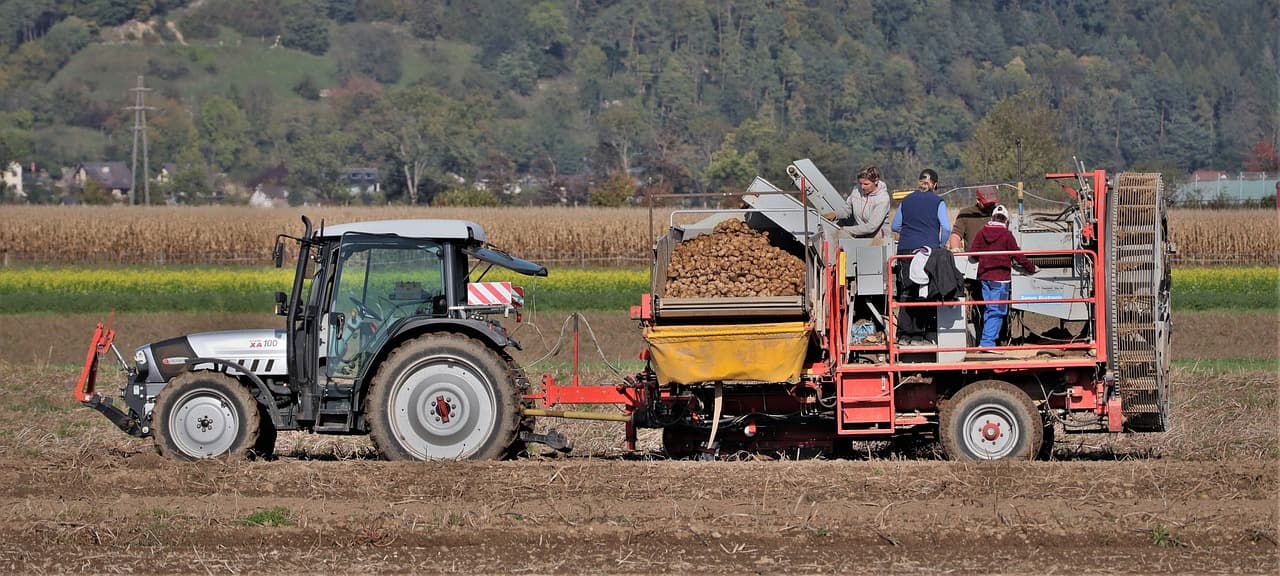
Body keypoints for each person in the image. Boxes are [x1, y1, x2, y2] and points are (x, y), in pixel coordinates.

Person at [889, 169, 951, 344]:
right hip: (926, 251)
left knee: (906, 291)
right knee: (924, 291)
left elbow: (895, 226)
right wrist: (939, 244)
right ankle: (918, 336)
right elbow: (946, 228)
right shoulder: (938, 201)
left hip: (905, 250)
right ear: (935, 184)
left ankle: (903, 335)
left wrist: (911, 231)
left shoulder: (906, 200)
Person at [970, 205, 1038, 350]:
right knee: (997, 310)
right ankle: (987, 343)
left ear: (992, 218)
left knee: (989, 309)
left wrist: (985, 259)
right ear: (1006, 221)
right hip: (1000, 279)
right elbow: (1018, 256)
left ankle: (987, 341)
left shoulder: (982, 232)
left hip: (985, 278)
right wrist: (1032, 268)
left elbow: (973, 253)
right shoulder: (1006, 235)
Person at [837, 166, 890, 238]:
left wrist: (846, 229)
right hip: (859, 236)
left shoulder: (883, 199)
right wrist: (834, 215)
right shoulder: (856, 190)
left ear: (876, 181)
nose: (862, 187)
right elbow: (847, 209)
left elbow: (871, 227)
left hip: (877, 240)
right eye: (860, 183)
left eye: (866, 184)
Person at [948, 186, 998, 251]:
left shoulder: (998, 213)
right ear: (978, 200)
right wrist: (955, 249)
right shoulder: (966, 214)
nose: (990, 206)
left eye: (992, 203)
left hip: (995, 257)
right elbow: (956, 235)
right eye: (986, 203)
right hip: (973, 259)